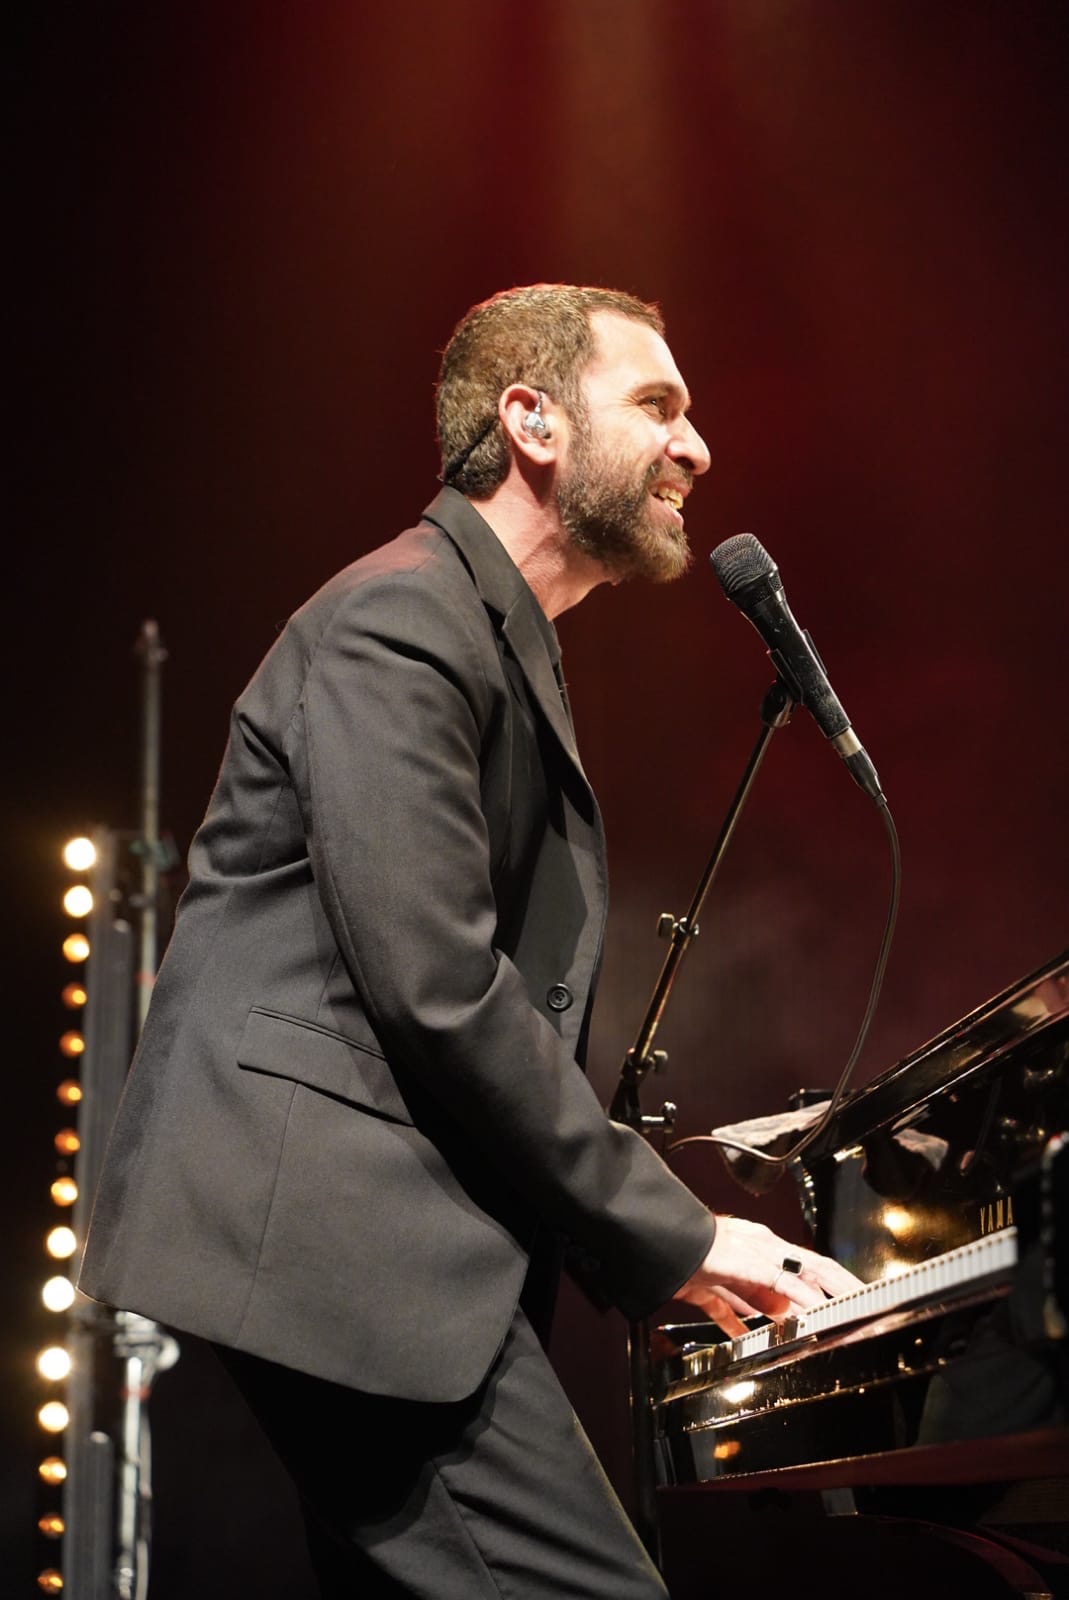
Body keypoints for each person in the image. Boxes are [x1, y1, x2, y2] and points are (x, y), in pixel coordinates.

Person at [80, 284, 860, 1598]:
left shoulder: (487, 634)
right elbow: (435, 982)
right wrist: (674, 1233)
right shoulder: (401, 620)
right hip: (337, 1242)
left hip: (370, 1246)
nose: (695, 446)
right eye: (656, 405)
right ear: (531, 422)